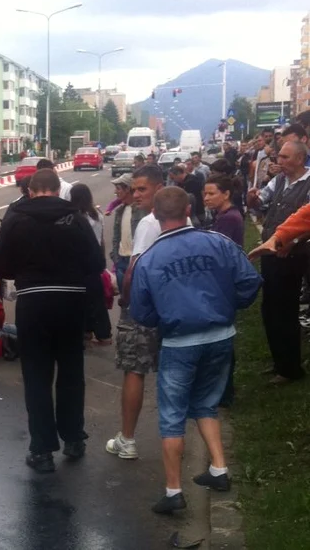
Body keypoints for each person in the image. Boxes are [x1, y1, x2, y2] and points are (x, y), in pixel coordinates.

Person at [129, 186, 261, 514]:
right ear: (189, 209)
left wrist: (165, 317)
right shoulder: (218, 242)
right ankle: (219, 469)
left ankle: (174, 491)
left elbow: (141, 313)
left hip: (178, 342)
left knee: (172, 416)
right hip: (220, 337)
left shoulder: (149, 260)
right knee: (207, 403)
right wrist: (229, 307)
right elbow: (249, 280)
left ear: (156, 216)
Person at [0, 168, 105, 472]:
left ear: (30, 190)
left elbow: (0, 264)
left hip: (34, 301)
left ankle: (41, 450)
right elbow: (96, 263)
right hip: (71, 301)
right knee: (71, 372)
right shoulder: (76, 218)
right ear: (58, 190)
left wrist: (26, 269)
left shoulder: (15, 218)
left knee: (36, 376)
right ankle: (73, 439)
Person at [106, 165, 171, 460]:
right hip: (172, 306)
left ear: (159, 188)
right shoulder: (181, 218)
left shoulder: (148, 222)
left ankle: (128, 439)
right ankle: (175, 440)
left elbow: (134, 268)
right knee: (172, 373)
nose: (135, 195)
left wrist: (127, 301)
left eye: (142, 189)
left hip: (143, 307)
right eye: (134, 189)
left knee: (134, 370)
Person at [247, 141, 310, 384]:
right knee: (270, 309)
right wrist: (253, 199)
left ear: (299, 159)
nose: (279, 161)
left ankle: (291, 368)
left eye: (284, 157)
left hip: (292, 256)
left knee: (286, 311)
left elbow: (307, 223)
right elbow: (261, 202)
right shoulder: (279, 180)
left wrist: (293, 241)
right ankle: (279, 362)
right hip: (272, 252)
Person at [204, 172, 245, 406]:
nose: (206, 198)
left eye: (211, 193)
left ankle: (225, 392)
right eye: (205, 193)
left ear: (226, 193)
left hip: (223, 283)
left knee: (223, 340)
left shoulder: (228, 218)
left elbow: (217, 253)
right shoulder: (222, 214)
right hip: (222, 282)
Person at [70, 183, 112, 345]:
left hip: (80, 261)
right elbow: (100, 240)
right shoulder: (97, 215)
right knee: (96, 298)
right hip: (95, 261)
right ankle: (103, 333)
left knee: (80, 298)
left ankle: (86, 331)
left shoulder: (76, 217)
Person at [110, 174, 146, 292]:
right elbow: (116, 238)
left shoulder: (141, 211)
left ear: (127, 189)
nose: (116, 192)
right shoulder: (120, 211)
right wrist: (116, 258)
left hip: (136, 262)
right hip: (121, 261)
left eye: (118, 189)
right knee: (124, 302)